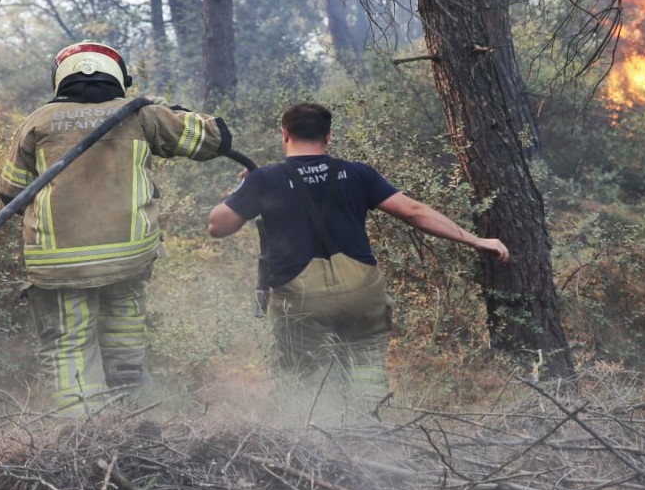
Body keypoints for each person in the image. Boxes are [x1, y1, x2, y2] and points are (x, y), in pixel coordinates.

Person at [207, 102, 508, 405]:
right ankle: (371, 422)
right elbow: (414, 212)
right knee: (367, 372)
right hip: (361, 293)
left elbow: (218, 226)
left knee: (305, 380)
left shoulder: (265, 179)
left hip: (303, 299)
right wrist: (475, 240)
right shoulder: (357, 173)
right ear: (328, 136)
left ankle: (316, 427)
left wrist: (243, 189)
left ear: (285, 134)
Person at [0, 40, 232, 415]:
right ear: (118, 77)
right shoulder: (141, 115)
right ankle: (133, 418)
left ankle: (81, 433)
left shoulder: (38, 121)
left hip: (58, 265)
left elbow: (11, 193)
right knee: (123, 337)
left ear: (61, 77)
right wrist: (171, 111)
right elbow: (214, 139)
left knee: (70, 346)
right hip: (127, 257)